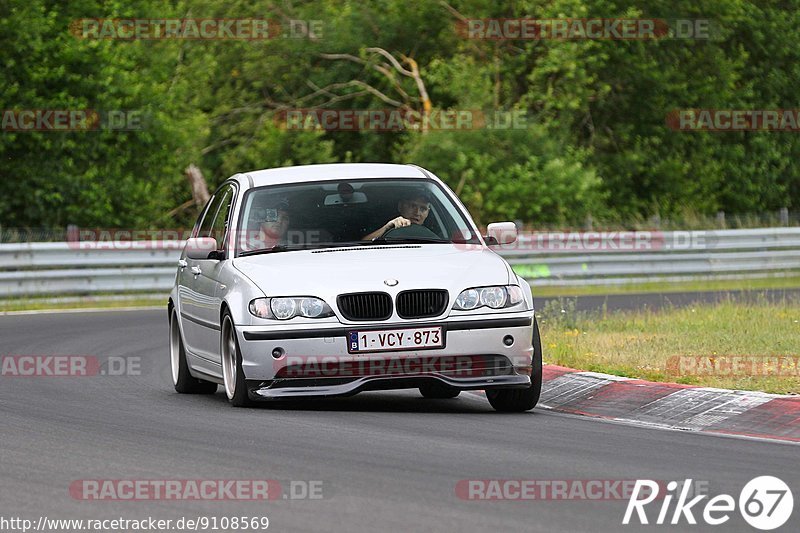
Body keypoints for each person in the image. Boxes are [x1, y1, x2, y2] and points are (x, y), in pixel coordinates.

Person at [362, 189, 432, 240]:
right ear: (400, 206)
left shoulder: (437, 232)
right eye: (413, 206)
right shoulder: (383, 225)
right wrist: (386, 228)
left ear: (428, 212)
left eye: (423, 209)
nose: (417, 213)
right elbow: (363, 244)